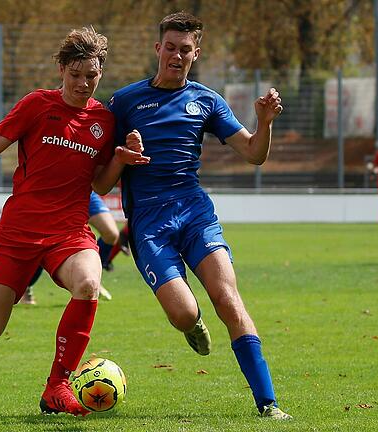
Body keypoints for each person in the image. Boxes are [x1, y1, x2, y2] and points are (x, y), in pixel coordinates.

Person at [0, 27, 148, 416]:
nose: (83, 83)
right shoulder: (36, 105)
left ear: (100, 74)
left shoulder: (104, 121)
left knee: (90, 282)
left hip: (70, 230)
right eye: (75, 75)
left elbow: (100, 182)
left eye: (91, 76)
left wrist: (120, 161)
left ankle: (57, 385)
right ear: (61, 70)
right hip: (18, 232)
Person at [107, 12, 290, 420]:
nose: (176, 56)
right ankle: (192, 324)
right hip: (149, 224)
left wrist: (264, 122)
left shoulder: (206, 100)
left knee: (228, 298)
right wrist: (123, 157)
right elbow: (101, 179)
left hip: (194, 212)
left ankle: (268, 404)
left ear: (196, 53)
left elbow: (254, 153)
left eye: (185, 50)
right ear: (158, 49)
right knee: (184, 312)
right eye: (170, 47)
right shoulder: (124, 102)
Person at [20, 191, 117, 305]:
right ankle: (27, 285)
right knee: (46, 236)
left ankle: (93, 275)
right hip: (56, 191)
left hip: (84, 190)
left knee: (111, 234)